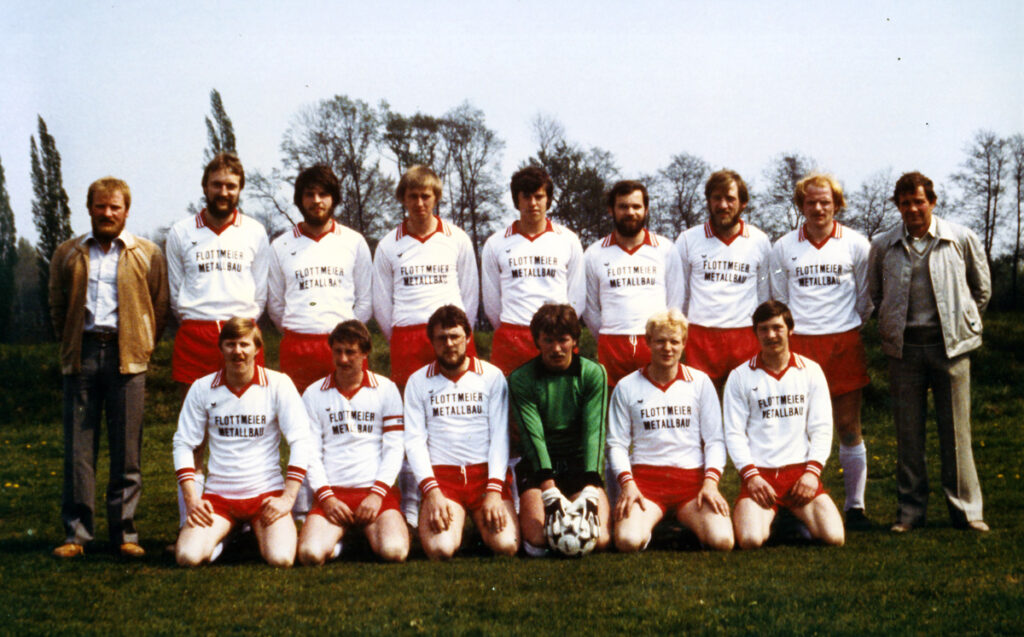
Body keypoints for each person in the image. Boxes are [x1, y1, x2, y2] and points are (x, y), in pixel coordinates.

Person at [48, 177, 168, 558]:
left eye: (115, 207)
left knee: (127, 451)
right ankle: (77, 535)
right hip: (82, 354)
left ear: (126, 211)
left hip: (127, 356)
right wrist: (70, 342)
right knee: (78, 450)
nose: (107, 213)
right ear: (89, 209)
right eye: (100, 206)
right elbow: (56, 306)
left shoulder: (147, 253)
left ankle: (124, 534)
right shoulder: (68, 253)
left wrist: (143, 344)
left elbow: (159, 306)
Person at [868, 171, 991, 533]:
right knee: (908, 435)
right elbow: (876, 294)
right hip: (904, 351)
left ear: (932, 202)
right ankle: (909, 513)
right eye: (905, 203)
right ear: (898, 206)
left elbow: (981, 290)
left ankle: (967, 512)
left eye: (919, 201)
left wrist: (961, 323)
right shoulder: (883, 245)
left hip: (950, 348)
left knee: (957, 434)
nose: (912, 209)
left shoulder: (960, 238)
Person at [769, 173, 873, 529]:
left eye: (825, 202)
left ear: (837, 204)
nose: (817, 208)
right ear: (801, 205)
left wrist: (843, 324)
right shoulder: (783, 246)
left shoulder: (856, 244)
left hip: (843, 343)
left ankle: (855, 508)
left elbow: (865, 298)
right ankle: (792, 508)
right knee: (796, 428)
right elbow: (779, 298)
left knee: (847, 425)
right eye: (810, 202)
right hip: (800, 345)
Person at [173, 318, 312, 567]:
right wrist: (192, 500)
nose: (238, 351)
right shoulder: (202, 388)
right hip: (219, 497)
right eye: (230, 344)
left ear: (257, 348)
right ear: (221, 348)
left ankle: (245, 532)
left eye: (244, 344)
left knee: (281, 558)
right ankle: (229, 536)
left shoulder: (278, 384)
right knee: (187, 557)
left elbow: (301, 440)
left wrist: (287, 499)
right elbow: (183, 443)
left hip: (265, 496)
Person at [607, 309, 733, 552]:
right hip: (646, 482)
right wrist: (628, 485)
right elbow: (617, 445)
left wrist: (710, 483)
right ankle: (654, 525)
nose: (667, 348)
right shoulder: (627, 386)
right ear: (648, 341)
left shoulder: (700, 382)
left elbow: (715, 440)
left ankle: (684, 523)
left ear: (684, 343)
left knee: (722, 541)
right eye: (660, 341)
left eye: (674, 341)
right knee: (627, 541)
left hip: (692, 482)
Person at [724, 300, 845, 549]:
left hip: (800, 476)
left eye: (777, 327)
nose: (771, 335)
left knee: (834, 538)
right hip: (761, 476)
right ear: (755, 333)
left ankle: (790, 516)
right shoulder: (739, 376)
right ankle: (780, 519)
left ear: (790, 329)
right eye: (764, 329)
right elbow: (734, 434)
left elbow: (822, 428)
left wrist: (812, 474)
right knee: (750, 540)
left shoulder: (810, 371)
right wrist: (751, 477)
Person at [403, 306, 518, 560]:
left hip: (484, 477)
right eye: (442, 338)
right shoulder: (418, 381)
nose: (449, 344)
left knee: (506, 545)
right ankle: (459, 522)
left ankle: (480, 525)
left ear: (468, 337)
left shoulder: (491, 376)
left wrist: (494, 491)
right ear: (432, 341)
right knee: (440, 549)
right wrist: (432, 493)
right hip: (443, 480)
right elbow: (414, 442)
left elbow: (500, 437)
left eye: (455, 336)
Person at [297, 320, 409, 564]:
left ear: (365, 352)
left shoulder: (386, 389)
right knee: (309, 554)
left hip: (374, 492)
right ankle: (340, 542)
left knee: (395, 551)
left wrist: (377, 495)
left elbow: (394, 448)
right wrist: (326, 498)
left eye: (351, 352)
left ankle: (363, 534)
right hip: (333, 493)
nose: (343, 359)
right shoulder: (314, 393)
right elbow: (310, 452)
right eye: (338, 351)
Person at [508, 304, 611, 555]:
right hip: (538, 467)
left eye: (563, 340)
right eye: (548, 340)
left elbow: (594, 432)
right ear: (537, 342)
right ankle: (525, 512)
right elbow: (533, 437)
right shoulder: (521, 378)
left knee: (601, 540)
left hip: (578, 464)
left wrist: (590, 487)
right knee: (538, 539)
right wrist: (549, 491)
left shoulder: (593, 373)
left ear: (574, 340)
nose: (556, 348)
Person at [165, 153, 270, 387]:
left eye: (231, 186)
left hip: (242, 333)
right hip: (195, 336)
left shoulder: (255, 231)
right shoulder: (181, 232)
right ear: (205, 187)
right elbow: (175, 292)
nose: (223, 192)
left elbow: (260, 293)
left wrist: (243, 327)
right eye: (217, 185)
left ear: (240, 189)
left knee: (247, 407)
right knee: (194, 410)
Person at [267, 165, 373, 393]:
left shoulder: (354, 241)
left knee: (348, 411)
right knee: (298, 414)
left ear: (334, 198)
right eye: (309, 194)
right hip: (298, 348)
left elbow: (365, 300)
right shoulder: (280, 245)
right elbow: (276, 306)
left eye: (323, 194)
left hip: (344, 348)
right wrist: (301, 328)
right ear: (299, 199)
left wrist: (347, 335)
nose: (316, 201)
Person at [373, 165, 479, 389]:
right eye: (413, 196)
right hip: (408, 337)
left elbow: (470, 293)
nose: (419, 203)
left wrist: (460, 331)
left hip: (452, 333)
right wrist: (398, 338)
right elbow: (381, 303)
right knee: (410, 402)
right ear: (403, 198)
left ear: (436, 197)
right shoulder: (388, 244)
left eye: (425, 196)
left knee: (460, 398)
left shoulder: (457, 238)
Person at [482, 166, 585, 375]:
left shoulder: (568, 239)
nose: (533, 203)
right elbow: (492, 302)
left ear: (548, 199)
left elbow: (577, 296)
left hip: (557, 337)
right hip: (513, 336)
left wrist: (562, 328)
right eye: (526, 197)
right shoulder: (495, 243)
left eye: (539, 196)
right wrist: (512, 326)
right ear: (516, 200)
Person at [675, 170, 770, 392]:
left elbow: (764, 294)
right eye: (717, 198)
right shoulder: (688, 239)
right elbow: (681, 295)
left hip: (745, 334)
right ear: (708, 201)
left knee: (749, 402)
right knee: (700, 403)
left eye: (730, 199)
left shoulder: (759, 240)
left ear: (743, 203)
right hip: (701, 337)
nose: (723, 205)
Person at [583, 180, 683, 386]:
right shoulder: (594, 253)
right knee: (613, 402)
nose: (630, 212)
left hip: (654, 343)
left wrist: (662, 335)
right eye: (623, 206)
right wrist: (609, 333)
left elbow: (675, 301)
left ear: (646, 209)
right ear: (611, 210)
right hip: (613, 344)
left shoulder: (665, 249)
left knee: (655, 400)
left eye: (636, 206)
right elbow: (590, 308)